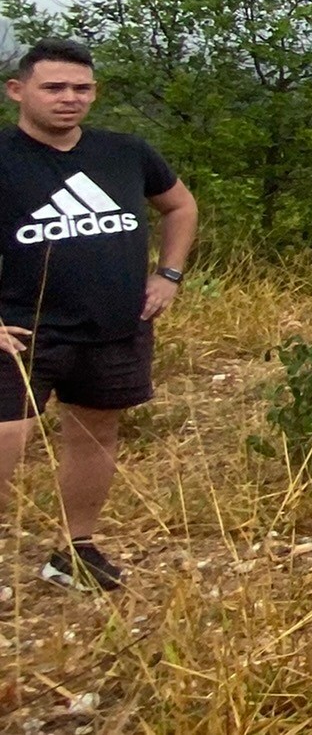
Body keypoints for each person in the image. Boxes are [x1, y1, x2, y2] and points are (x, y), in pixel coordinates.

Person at [0, 38, 197, 591]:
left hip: (113, 327)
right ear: (18, 91)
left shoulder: (124, 152)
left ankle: (74, 552)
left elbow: (180, 206)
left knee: (95, 436)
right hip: (20, 332)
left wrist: (169, 275)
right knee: (7, 438)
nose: (69, 98)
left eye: (81, 88)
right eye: (54, 87)